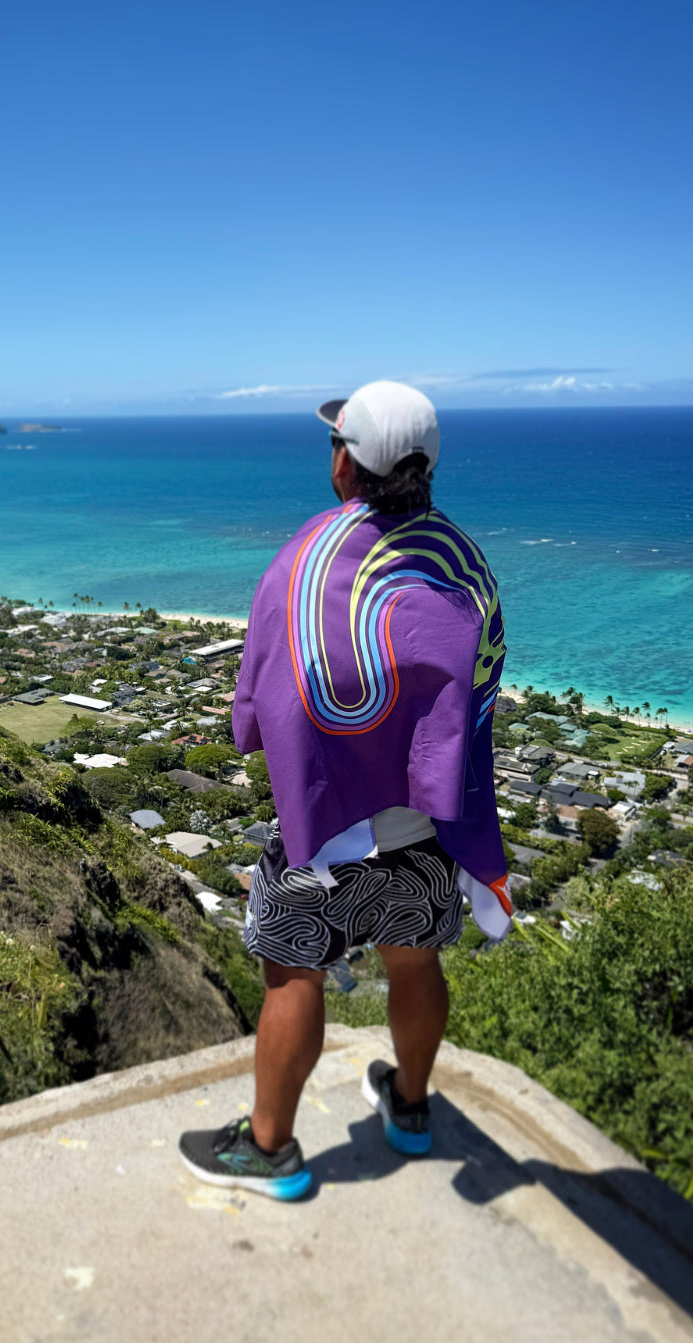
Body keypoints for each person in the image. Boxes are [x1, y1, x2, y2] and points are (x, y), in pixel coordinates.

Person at [179, 381, 512, 1200]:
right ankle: (408, 1106)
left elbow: (258, 698)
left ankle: (269, 1150)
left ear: (344, 462)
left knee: (293, 977)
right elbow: (475, 688)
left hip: (320, 829)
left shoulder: (308, 557)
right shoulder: (462, 562)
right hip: (425, 824)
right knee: (415, 962)